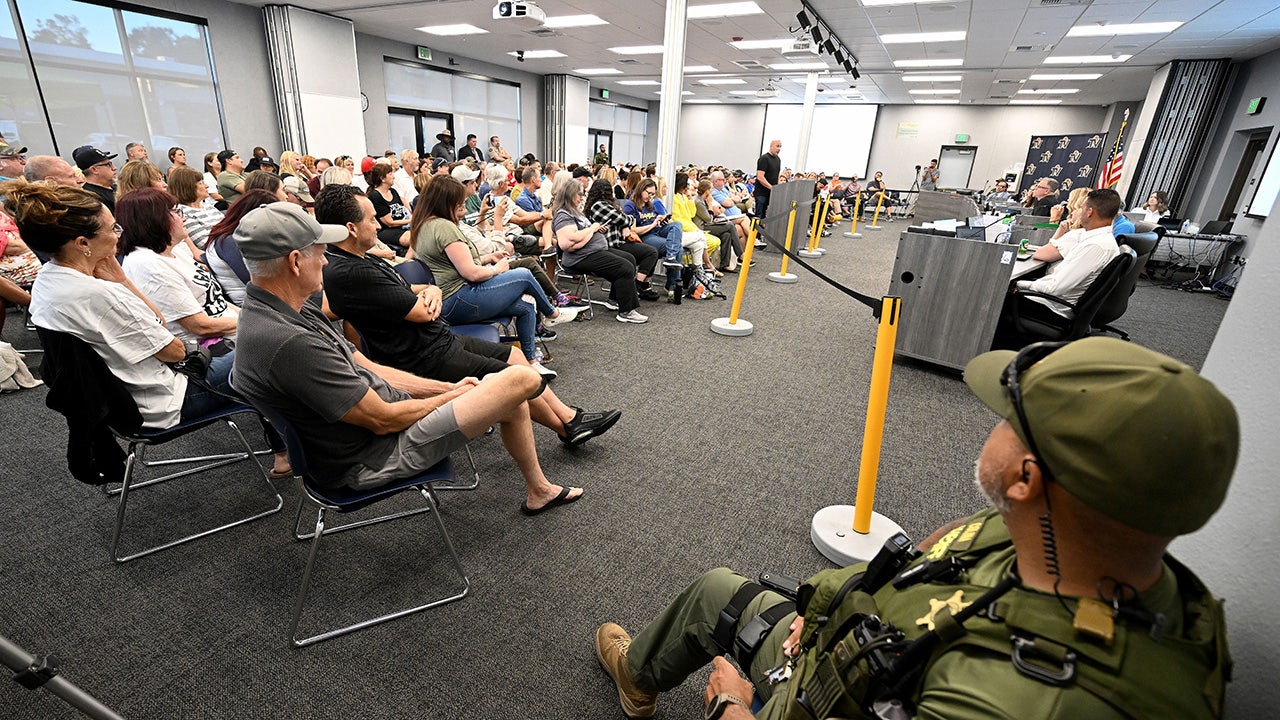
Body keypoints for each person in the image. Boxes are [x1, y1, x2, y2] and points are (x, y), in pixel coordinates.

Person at [595, 336, 1236, 720]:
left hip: (837, 688)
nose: (993, 423)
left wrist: (732, 706)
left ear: (1028, 478)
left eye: (1008, 418)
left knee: (716, 602)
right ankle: (649, 678)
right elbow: (930, 555)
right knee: (725, 591)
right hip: (856, 651)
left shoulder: (1013, 703)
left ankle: (641, 681)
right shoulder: (1070, 542)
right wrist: (817, 606)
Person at [231, 202, 584, 513]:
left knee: (510, 390)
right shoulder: (286, 340)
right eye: (320, 252)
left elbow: (369, 368)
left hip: (380, 428)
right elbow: (382, 419)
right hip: (371, 457)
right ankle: (544, 472)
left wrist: (445, 390)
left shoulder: (284, 309)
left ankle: (539, 490)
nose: (325, 259)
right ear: (295, 261)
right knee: (520, 378)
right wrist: (456, 395)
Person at [4, 181, 288, 473]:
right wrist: (122, 283)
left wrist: (119, 280)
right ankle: (294, 454)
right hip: (165, 400)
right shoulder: (98, 294)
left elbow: (159, 331)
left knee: (268, 343)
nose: (119, 235)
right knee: (275, 351)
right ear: (82, 243)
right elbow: (175, 351)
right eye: (113, 228)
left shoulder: (50, 281)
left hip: (123, 403)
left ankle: (289, 447)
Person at [314, 183, 620, 446]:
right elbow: (423, 310)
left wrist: (430, 291)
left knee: (515, 357)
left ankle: (569, 422)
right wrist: (430, 294)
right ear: (351, 228)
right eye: (371, 220)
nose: (379, 226)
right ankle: (567, 410)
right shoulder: (352, 270)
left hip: (439, 335)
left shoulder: (357, 259)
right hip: (426, 353)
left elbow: (408, 286)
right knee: (525, 280)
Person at [411, 175, 577, 374]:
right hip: (458, 299)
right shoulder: (445, 227)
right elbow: (471, 273)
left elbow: (452, 264)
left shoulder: (424, 225)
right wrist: (495, 269)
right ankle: (552, 313)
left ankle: (531, 364)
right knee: (524, 273)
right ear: (447, 201)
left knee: (525, 307)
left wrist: (487, 258)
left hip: (449, 301)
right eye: (459, 201)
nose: (463, 204)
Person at [997, 188, 1124, 346]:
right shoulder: (1098, 239)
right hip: (1057, 302)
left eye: (1081, 208)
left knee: (994, 297)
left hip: (1053, 308)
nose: (1078, 212)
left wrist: (1019, 284)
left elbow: (1055, 287)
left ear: (1089, 212)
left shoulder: (1096, 246)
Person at [117, 188, 238, 347]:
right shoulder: (147, 264)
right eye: (176, 212)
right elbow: (200, 326)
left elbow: (217, 301)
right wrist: (253, 323)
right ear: (154, 220)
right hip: (212, 346)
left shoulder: (173, 250)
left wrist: (253, 316)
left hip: (231, 331)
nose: (184, 217)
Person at [554, 179, 648, 323]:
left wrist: (595, 229)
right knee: (625, 267)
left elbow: (581, 233)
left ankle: (616, 299)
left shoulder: (575, 212)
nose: (582, 197)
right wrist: (592, 229)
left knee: (630, 259)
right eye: (580, 194)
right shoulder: (563, 215)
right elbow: (567, 244)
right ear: (571, 194)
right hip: (579, 258)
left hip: (590, 251)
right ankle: (626, 311)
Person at [584, 179, 662, 302]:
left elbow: (623, 219)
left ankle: (638, 287)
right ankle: (636, 288)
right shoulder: (600, 206)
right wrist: (625, 222)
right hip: (609, 245)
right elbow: (626, 219)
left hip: (617, 242)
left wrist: (624, 223)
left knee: (650, 252)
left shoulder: (606, 205)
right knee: (647, 253)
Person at [204, 190, 280, 304]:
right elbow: (261, 285)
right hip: (254, 305)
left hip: (262, 300)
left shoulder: (229, 237)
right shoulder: (229, 243)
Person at [622, 178, 683, 293]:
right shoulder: (631, 206)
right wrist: (653, 224)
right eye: (648, 193)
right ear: (641, 190)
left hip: (656, 230)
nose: (650, 196)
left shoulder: (649, 205)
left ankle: (670, 258)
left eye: (652, 194)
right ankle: (672, 285)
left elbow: (655, 220)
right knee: (678, 248)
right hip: (644, 236)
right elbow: (633, 230)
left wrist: (660, 220)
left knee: (676, 225)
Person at [169, 166, 223, 249]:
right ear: (188, 187)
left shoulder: (207, 206)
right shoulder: (183, 213)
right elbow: (206, 244)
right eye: (201, 183)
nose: (207, 186)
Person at [365, 162, 411, 251]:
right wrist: (411, 221)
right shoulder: (375, 196)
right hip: (385, 230)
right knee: (414, 239)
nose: (393, 176)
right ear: (382, 178)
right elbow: (389, 222)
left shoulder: (393, 191)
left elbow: (403, 211)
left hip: (402, 226)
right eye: (390, 174)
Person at [73, 145, 119, 211]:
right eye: (108, 164)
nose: (114, 168)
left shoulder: (114, 187)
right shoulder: (92, 197)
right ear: (94, 170)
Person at [754, 139, 781, 218]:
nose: (779, 149)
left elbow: (777, 175)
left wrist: (777, 188)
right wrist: (771, 187)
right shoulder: (764, 159)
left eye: (780, 147)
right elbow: (760, 176)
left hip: (771, 194)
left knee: (768, 216)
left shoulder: (778, 159)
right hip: (761, 193)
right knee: (759, 216)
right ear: (771, 146)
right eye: (777, 146)